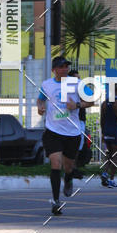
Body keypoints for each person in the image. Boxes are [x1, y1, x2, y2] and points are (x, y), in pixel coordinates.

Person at [37, 55, 94, 215]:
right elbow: (40, 100)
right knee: (55, 163)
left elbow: (92, 100)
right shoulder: (46, 85)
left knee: (68, 166)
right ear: (54, 70)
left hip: (72, 132)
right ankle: (56, 201)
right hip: (53, 131)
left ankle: (68, 179)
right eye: (61, 67)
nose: (65, 69)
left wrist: (76, 105)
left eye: (66, 67)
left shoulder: (76, 83)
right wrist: (40, 107)